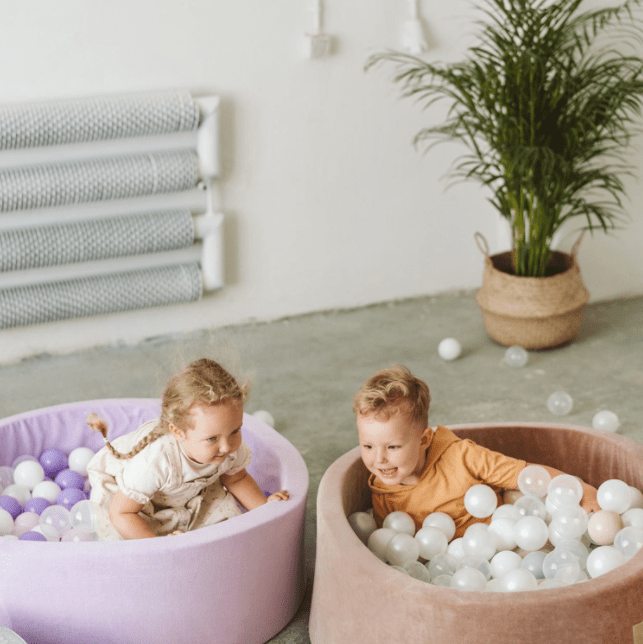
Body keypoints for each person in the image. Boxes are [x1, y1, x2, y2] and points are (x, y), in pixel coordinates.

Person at [353, 365, 599, 539]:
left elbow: (528, 475)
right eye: (368, 446)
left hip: (506, 541)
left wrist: (580, 490)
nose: (379, 459)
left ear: (424, 440)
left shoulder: (462, 457)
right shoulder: (383, 491)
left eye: (393, 447)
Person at [86, 358, 289, 540]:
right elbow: (121, 513)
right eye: (212, 439)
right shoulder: (157, 460)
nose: (227, 447)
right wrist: (157, 546)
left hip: (183, 496)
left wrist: (266, 511)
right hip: (128, 501)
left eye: (235, 431)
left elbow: (236, 478)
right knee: (118, 536)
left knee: (228, 526)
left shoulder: (226, 447)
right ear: (178, 432)